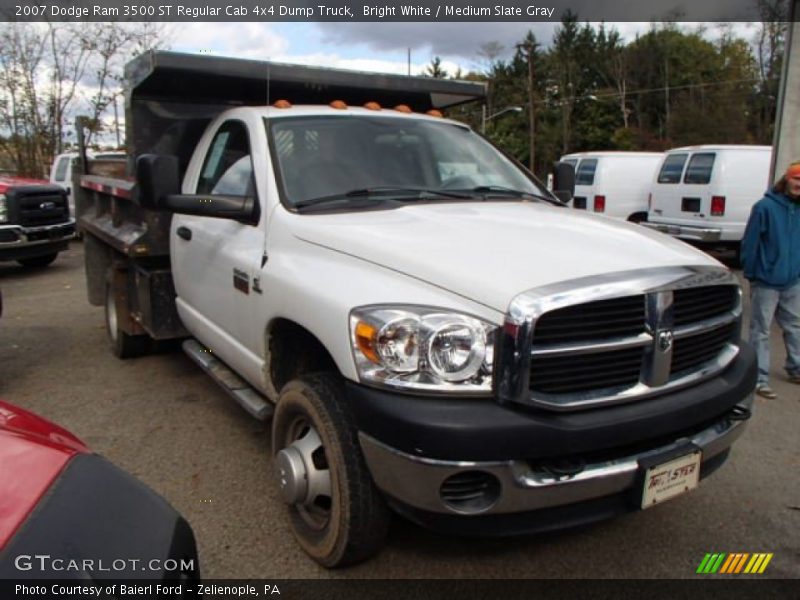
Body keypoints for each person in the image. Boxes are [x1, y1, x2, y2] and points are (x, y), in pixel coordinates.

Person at [741, 160, 800, 399]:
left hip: (793, 280)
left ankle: (796, 368)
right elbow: (750, 243)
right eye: (796, 179)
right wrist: (753, 273)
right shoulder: (764, 207)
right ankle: (759, 377)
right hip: (766, 281)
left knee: (794, 325)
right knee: (761, 330)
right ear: (786, 179)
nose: (799, 185)